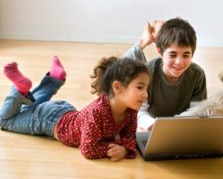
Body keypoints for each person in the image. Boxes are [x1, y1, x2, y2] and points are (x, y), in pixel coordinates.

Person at [0, 56, 150, 162]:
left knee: (29, 108)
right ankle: (20, 90)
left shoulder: (131, 110)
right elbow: (88, 149)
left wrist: (124, 149)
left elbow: (130, 135)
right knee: (3, 121)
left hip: (64, 111)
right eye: (140, 87)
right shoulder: (97, 112)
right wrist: (114, 147)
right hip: (48, 120)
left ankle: (52, 80)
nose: (146, 94)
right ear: (117, 87)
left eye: (146, 88)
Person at [124, 17, 207, 131]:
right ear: (160, 52)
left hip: (183, 129)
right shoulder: (147, 73)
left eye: (186, 55)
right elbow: (139, 111)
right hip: (153, 128)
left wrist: (178, 125)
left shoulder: (197, 74)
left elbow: (198, 110)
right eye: (172, 55)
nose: (179, 62)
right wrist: (155, 125)